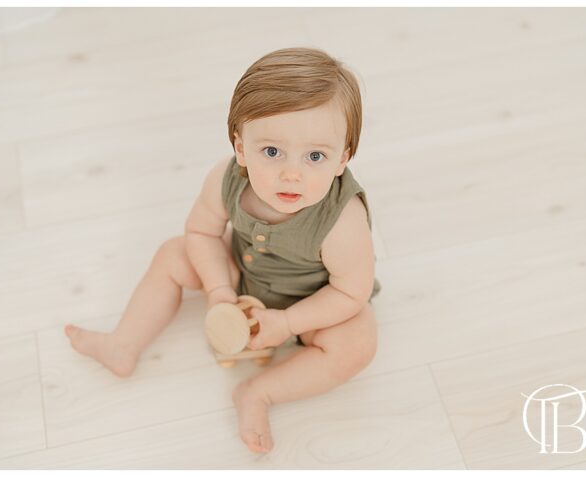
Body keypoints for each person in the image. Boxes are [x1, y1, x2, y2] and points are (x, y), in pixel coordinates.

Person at [65, 47, 380, 453]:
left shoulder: (342, 222)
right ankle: (123, 344)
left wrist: (287, 324)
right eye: (271, 151)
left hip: (311, 301)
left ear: (343, 159)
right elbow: (201, 232)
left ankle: (258, 393)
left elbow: (350, 292)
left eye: (315, 156)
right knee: (173, 254)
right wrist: (218, 291)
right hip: (239, 272)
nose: (291, 173)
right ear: (240, 147)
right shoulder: (226, 179)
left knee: (358, 343)